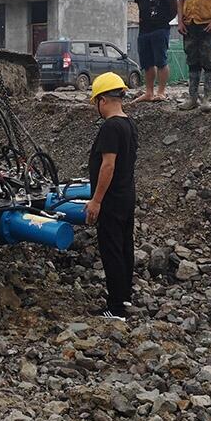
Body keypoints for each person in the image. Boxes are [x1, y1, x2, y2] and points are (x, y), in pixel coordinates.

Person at [85, 72, 138, 321]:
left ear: (103, 100)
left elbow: (108, 165)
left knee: (112, 249)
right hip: (127, 195)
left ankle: (116, 308)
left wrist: (96, 200)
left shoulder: (110, 126)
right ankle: (124, 296)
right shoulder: (129, 124)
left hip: (112, 199)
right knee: (125, 246)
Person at [133, 0, 178, 102]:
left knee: (161, 61)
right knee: (147, 63)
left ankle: (161, 92)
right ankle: (149, 92)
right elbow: (137, 8)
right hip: (144, 31)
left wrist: (163, 20)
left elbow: (174, 7)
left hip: (160, 29)